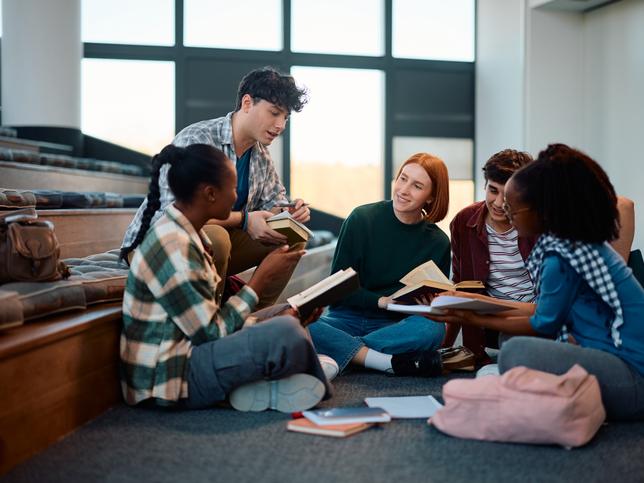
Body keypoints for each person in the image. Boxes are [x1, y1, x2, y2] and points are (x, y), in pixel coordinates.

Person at [436, 144, 644, 421]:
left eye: (513, 209)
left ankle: (502, 386)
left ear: (539, 210)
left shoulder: (559, 257)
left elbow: (543, 323)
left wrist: (472, 318)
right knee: (517, 346)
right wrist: (470, 306)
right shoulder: (566, 243)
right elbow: (543, 311)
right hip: (614, 362)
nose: (506, 214)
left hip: (632, 380)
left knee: (515, 351)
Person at [120, 144, 332, 413]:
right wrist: (262, 278)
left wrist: (285, 314)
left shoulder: (192, 235)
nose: (236, 197)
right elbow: (210, 334)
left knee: (287, 315)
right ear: (210, 194)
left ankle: (266, 386)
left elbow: (210, 323)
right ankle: (284, 378)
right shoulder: (172, 244)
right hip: (166, 382)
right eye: (232, 189)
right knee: (285, 331)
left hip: (191, 356)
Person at [121, 66, 310, 308]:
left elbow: (274, 202)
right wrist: (244, 220)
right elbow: (175, 217)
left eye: (285, 117)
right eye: (274, 113)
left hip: (215, 244)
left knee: (292, 239)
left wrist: (290, 212)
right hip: (161, 242)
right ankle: (214, 321)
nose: (281, 124)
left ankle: (256, 317)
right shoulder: (197, 138)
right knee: (217, 239)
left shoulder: (261, 155)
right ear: (247, 103)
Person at [307, 153, 450, 377]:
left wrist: (428, 303)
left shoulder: (438, 242)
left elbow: (431, 306)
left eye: (417, 186)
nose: (403, 190)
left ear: (431, 197)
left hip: (394, 326)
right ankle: (382, 360)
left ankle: (340, 352)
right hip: (345, 318)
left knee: (432, 330)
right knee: (300, 324)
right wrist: (382, 301)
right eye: (402, 179)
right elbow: (337, 289)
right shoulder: (361, 218)